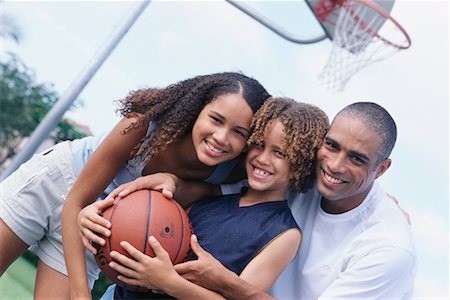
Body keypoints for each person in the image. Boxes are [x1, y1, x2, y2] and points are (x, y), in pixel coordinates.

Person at [0, 72, 270, 299]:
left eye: (239, 132)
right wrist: (82, 296)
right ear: (198, 110)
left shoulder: (231, 170)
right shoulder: (144, 125)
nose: (222, 137)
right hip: (57, 185)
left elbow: (214, 192)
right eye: (216, 119)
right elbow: (76, 202)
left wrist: (177, 182)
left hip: (100, 229)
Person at [80, 97, 330, 299]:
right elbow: (140, 221)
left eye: (279, 153)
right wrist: (94, 213)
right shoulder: (214, 192)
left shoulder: (284, 233)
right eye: (259, 145)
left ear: (300, 163)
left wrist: (169, 283)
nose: (262, 158)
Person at [171, 101, 417, 299]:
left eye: (356, 159)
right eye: (331, 145)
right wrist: (172, 183)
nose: (334, 165)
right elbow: (228, 190)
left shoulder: (389, 249)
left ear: (381, 169)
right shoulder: (304, 176)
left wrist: (225, 281)